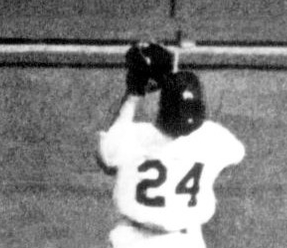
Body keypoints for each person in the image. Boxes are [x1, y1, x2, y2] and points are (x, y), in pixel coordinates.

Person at [97, 43, 245, 247]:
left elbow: (106, 156)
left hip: (132, 239)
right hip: (185, 241)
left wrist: (133, 94)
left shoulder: (135, 136)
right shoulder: (213, 138)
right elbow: (236, 154)